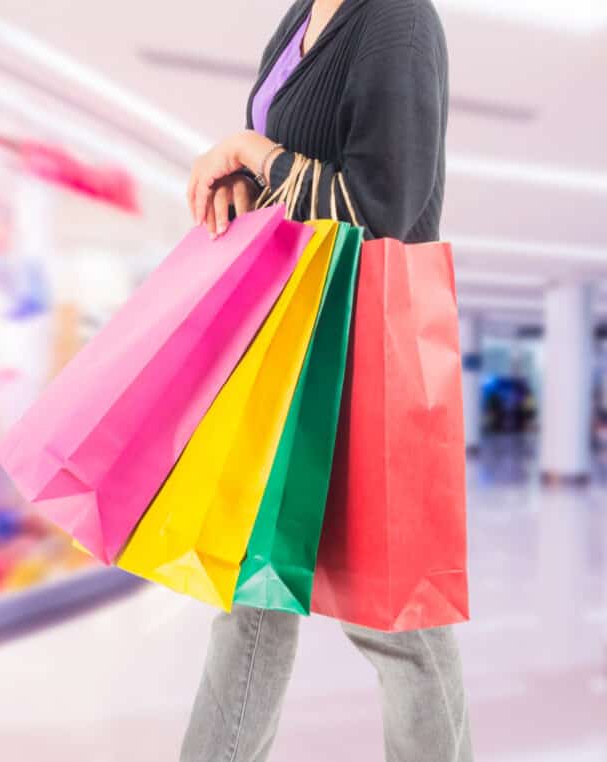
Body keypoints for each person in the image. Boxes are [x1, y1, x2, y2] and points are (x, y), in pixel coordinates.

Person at [180, 1, 473, 760]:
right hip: (289, 350)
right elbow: (293, 172)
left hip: (360, 357)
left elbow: (385, 213)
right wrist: (246, 178)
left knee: (395, 621)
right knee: (252, 598)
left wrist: (250, 147)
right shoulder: (305, 10)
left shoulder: (398, 19)